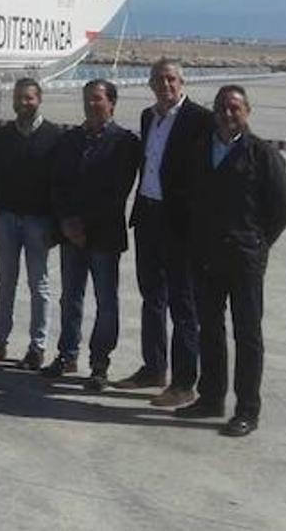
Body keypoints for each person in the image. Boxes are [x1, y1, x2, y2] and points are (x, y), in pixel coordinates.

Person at [175, 85, 286, 438]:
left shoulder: (263, 154)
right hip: (207, 257)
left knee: (247, 335)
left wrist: (257, 243)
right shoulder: (200, 150)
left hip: (243, 259)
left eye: (235, 108)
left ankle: (247, 409)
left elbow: (281, 210)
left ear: (247, 112)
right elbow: (189, 198)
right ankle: (211, 397)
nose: (227, 114)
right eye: (222, 108)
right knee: (209, 329)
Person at [117, 59, 215, 406]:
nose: (165, 85)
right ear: (150, 83)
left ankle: (184, 382)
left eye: (171, 79)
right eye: (158, 79)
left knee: (183, 303)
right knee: (151, 296)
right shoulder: (148, 117)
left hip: (180, 224)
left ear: (182, 81)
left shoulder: (200, 120)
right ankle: (153, 367)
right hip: (147, 215)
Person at [42, 79, 141, 390]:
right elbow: (56, 183)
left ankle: (100, 364)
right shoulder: (70, 139)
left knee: (105, 301)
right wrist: (67, 222)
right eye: (87, 99)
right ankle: (67, 355)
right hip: (71, 234)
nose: (91, 104)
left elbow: (118, 191)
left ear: (112, 103)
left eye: (97, 99)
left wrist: (84, 224)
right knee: (70, 297)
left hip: (104, 235)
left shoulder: (125, 142)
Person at [0, 77, 61, 369]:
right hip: (5, 219)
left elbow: (58, 185)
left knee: (39, 286)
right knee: (6, 284)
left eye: (28, 98)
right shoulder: (2, 138)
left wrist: (55, 225)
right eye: (19, 98)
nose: (23, 103)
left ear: (39, 99)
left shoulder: (54, 137)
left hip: (38, 222)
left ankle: (37, 347)